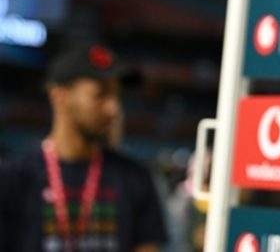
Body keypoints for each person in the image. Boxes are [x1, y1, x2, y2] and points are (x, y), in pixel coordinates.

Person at [0, 43, 168, 252]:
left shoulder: (135, 177)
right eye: (100, 94)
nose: (113, 108)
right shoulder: (13, 178)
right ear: (58, 96)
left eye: (117, 95)